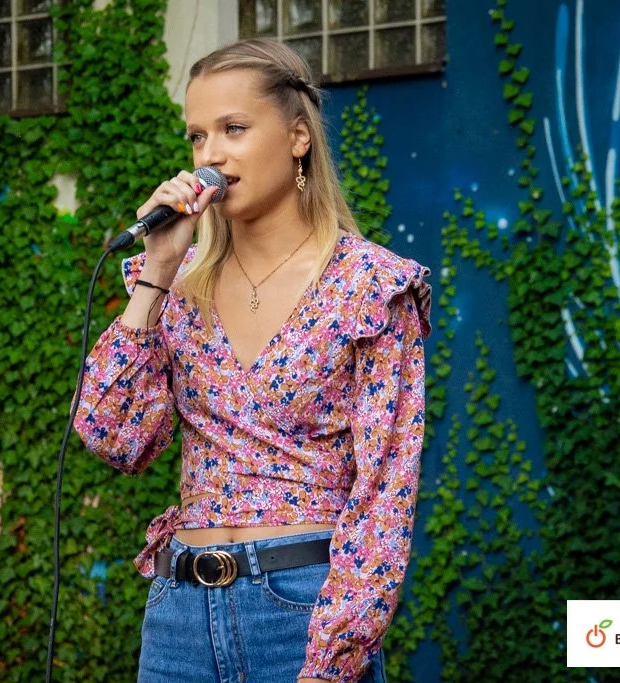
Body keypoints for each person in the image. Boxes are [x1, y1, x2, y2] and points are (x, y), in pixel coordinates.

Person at [75, 38, 431, 683]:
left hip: (300, 613)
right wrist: (156, 273)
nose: (209, 155)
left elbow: (387, 488)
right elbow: (116, 438)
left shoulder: (369, 285)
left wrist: (335, 653)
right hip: (179, 618)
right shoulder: (178, 283)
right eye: (197, 136)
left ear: (298, 138)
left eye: (233, 129)